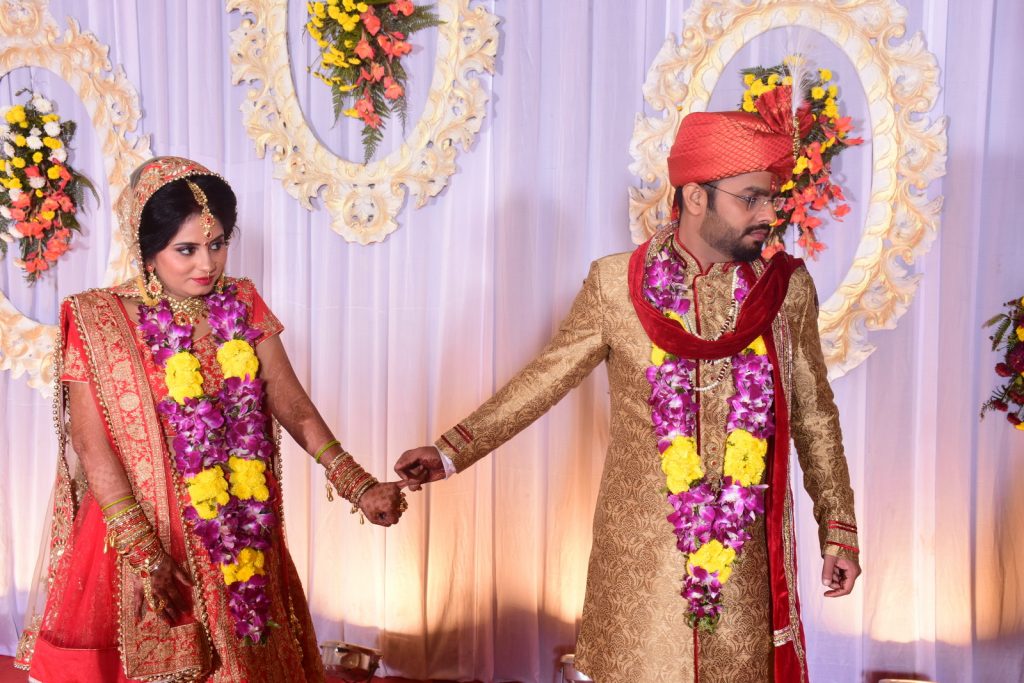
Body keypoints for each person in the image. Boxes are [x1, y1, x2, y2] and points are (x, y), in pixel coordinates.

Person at [395, 107, 861, 682]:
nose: (769, 215)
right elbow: (546, 377)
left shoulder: (785, 292)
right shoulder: (618, 285)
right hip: (640, 566)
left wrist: (838, 528)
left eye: (771, 199)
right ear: (696, 196)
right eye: (751, 199)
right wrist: (449, 451)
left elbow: (814, 414)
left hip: (742, 569)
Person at [14, 156, 408, 682]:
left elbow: (290, 403)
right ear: (146, 249)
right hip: (142, 530)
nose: (208, 264)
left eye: (218, 244)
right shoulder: (97, 319)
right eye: (187, 249)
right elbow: (91, 442)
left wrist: (355, 483)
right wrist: (145, 553)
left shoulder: (241, 303)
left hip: (240, 527)